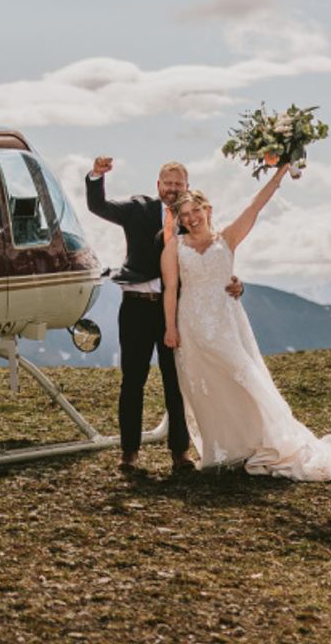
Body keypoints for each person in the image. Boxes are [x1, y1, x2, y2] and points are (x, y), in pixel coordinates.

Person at [161, 167, 331, 481]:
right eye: (185, 214)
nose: (191, 218)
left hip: (226, 324)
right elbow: (171, 289)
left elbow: (255, 206)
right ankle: (226, 450)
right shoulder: (174, 247)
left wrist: (281, 170)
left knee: (246, 380)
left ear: (208, 210)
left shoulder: (227, 238)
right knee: (207, 390)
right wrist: (170, 329)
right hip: (191, 328)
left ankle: (269, 441)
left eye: (196, 211)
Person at [87, 157, 242, 473]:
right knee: (133, 380)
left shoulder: (192, 219)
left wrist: (235, 283)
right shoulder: (136, 208)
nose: (172, 190)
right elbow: (98, 206)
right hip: (136, 308)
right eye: (167, 184)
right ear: (158, 186)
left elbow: (213, 258)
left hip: (176, 309)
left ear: (187, 187)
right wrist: (95, 176)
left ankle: (179, 453)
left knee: (176, 382)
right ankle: (129, 452)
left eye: (178, 185)